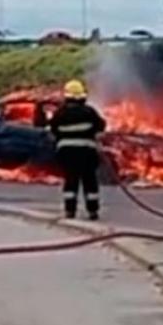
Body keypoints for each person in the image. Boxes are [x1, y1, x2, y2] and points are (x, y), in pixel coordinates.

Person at [49, 80, 106, 220]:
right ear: (82, 96)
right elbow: (101, 126)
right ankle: (93, 211)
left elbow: (53, 130)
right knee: (90, 181)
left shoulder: (60, 113)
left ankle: (70, 211)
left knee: (71, 181)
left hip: (67, 153)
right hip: (87, 151)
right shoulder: (89, 111)